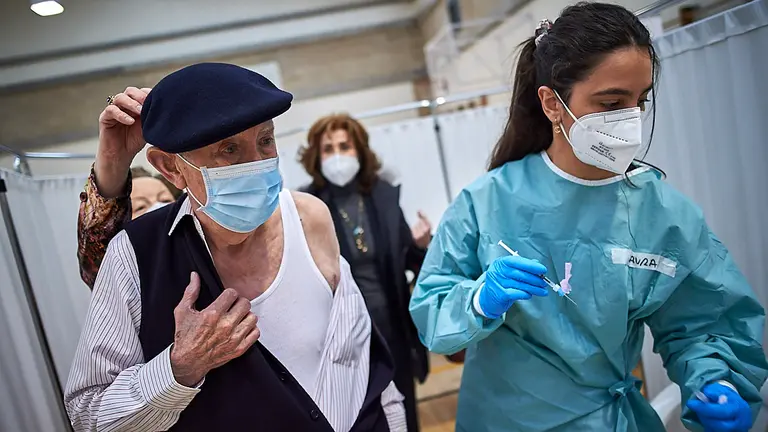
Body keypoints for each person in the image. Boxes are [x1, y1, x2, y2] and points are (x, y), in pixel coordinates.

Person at [409, 4, 768, 432]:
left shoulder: (662, 213)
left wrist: (716, 379)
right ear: (552, 104)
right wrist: (477, 299)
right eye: (612, 102)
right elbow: (432, 311)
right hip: (504, 419)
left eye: (641, 100)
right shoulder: (488, 202)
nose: (631, 118)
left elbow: (704, 322)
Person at [65, 63, 406, 432]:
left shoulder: (309, 217)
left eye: (265, 140)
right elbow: (88, 414)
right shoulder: (136, 254)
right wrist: (181, 368)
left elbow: (362, 363)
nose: (257, 165)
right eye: (229, 149)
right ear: (170, 167)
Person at [300, 113, 431, 432]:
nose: (337, 155)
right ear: (317, 156)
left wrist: (422, 245)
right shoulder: (307, 206)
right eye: (328, 148)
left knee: (403, 414)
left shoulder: (384, 197)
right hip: (340, 334)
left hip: (392, 327)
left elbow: (410, 260)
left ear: (360, 150)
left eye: (345, 146)